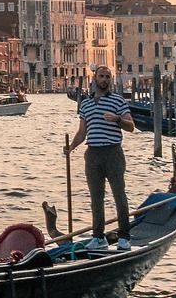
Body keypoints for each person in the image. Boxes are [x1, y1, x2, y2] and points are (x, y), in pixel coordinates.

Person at [65, 65, 133, 250]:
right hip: (93, 154)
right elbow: (82, 132)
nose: (104, 80)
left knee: (119, 195)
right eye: (101, 76)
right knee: (96, 197)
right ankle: (98, 236)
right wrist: (71, 147)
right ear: (95, 79)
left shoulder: (118, 101)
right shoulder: (85, 104)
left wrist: (118, 119)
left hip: (113, 153)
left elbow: (131, 126)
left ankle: (124, 236)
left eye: (107, 77)